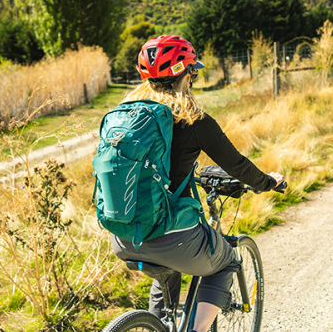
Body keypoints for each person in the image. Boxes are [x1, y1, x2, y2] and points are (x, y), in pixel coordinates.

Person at [110, 35, 284, 332]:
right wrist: (268, 182)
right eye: (193, 70)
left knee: (165, 275)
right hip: (174, 237)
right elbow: (237, 164)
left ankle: (160, 326)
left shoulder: (128, 117)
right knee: (228, 260)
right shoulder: (194, 120)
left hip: (124, 236)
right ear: (186, 75)